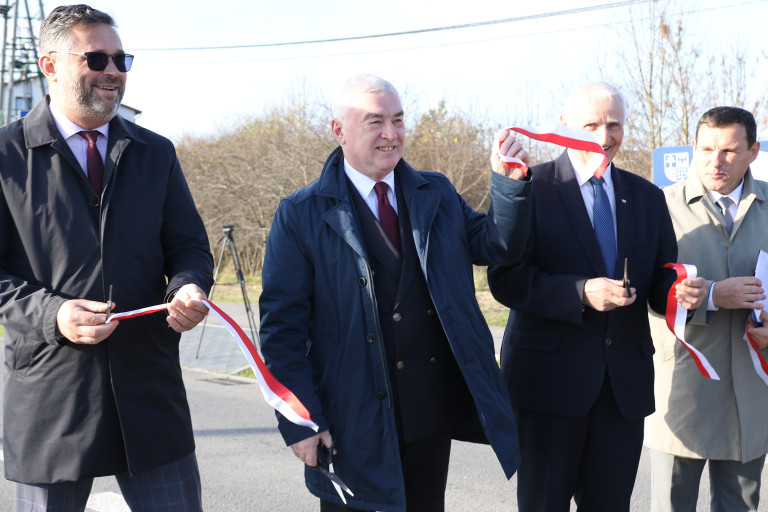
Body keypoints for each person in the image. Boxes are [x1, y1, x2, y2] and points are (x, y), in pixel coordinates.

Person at [258, 73, 531, 511]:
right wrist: (301, 421)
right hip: (351, 423)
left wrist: (509, 186)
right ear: (338, 131)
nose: (391, 134)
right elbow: (281, 331)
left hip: (428, 415)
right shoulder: (300, 214)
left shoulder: (436, 191)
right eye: (375, 122)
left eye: (398, 120)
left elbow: (496, 244)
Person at [0, 5, 213, 511]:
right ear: (50, 66)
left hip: (150, 399)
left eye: (122, 59)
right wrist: (54, 315)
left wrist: (186, 287)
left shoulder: (156, 153)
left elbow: (189, 247)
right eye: (96, 58)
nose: (114, 71)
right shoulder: (7, 156)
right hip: (51, 402)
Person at [486, 81, 706, 511]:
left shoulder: (645, 196)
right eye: (591, 125)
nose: (605, 138)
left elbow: (658, 282)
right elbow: (505, 279)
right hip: (547, 387)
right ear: (565, 124)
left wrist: (680, 293)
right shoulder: (529, 187)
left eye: (615, 125)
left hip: (621, 392)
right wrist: (579, 293)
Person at [645, 106, 768, 512]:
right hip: (683, 389)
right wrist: (714, 295)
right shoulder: (658, 207)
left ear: (753, 151)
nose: (716, 162)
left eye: (730, 151)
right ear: (693, 148)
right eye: (707, 149)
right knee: (671, 505)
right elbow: (646, 288)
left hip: (750, 393)